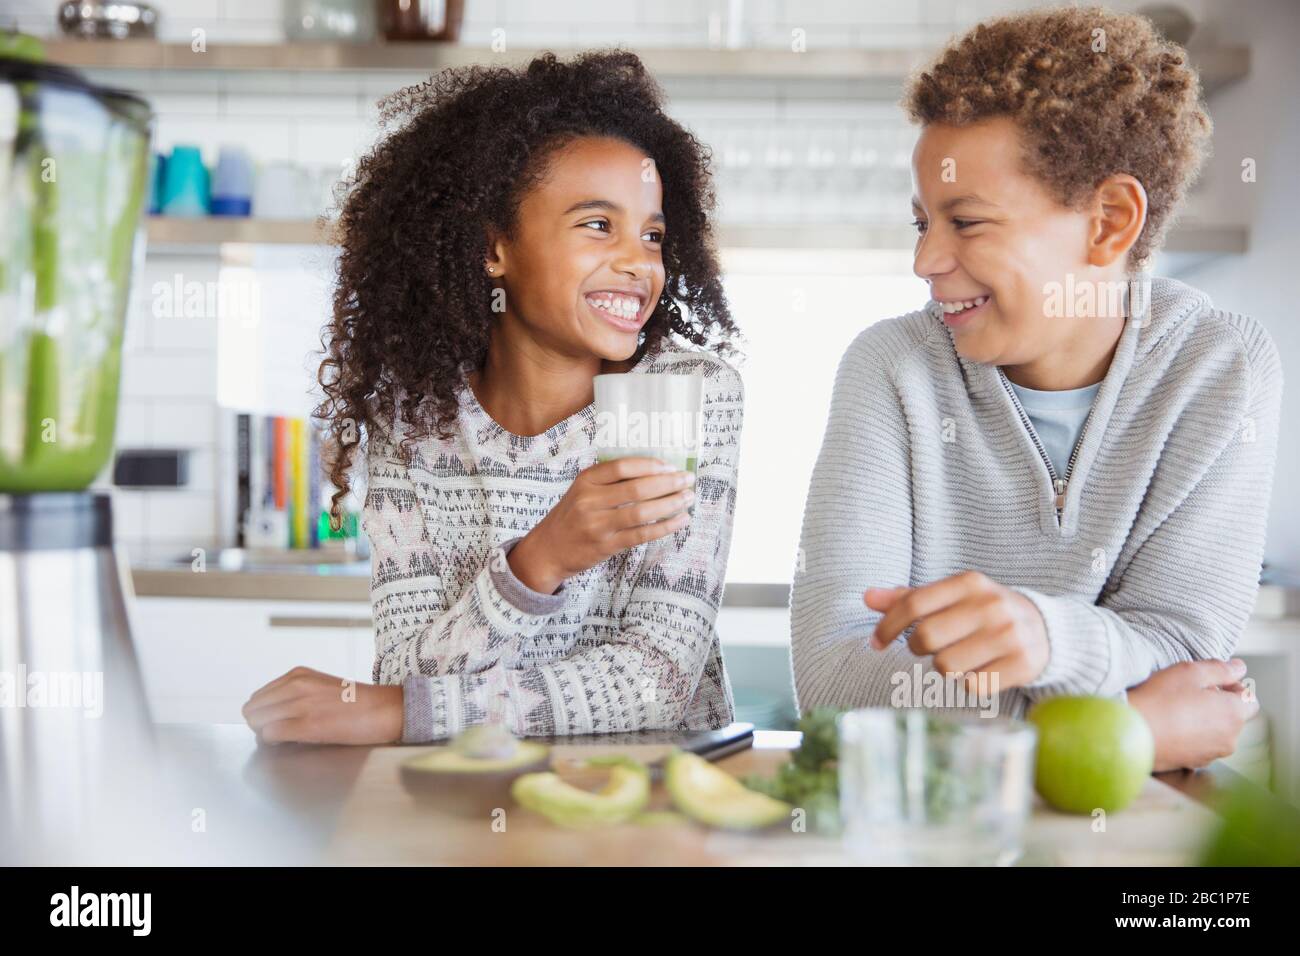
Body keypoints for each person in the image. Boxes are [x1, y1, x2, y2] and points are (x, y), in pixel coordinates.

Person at [791, 7, 1280, 771]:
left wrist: (1044, 638)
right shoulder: (891, 369)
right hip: (941, 828)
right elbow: (836, 685)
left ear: (1109, 223)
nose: (925, 260)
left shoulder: (1221, 369)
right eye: (921, 222)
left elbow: (1186, 655)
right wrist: (1129, 734)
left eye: (968, 223)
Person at [243, 52, 744, 744]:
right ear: (493, 249)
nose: (639, 261)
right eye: (599, 225)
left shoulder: (682, 396)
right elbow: (407, 670)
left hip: (651, 805)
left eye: (653, 235)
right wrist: (539, 561)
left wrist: (403, 714)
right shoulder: (413, 420)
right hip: (467, 796)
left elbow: (655, 679)